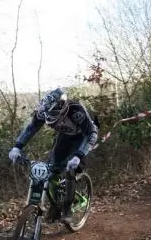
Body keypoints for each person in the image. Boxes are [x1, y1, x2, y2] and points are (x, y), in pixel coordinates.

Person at [8, 87, 99, 224]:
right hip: (65, 136)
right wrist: (17, 146)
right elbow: (31, 128)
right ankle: (55, 206)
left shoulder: (76, 111)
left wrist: (78, 155)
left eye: (54, 116)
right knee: (52, 169)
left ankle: (67, 210)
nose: (51, 121)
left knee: (71, 169)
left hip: (83, 136)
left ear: (62, 109)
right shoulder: (43, 111)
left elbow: (91, 134)